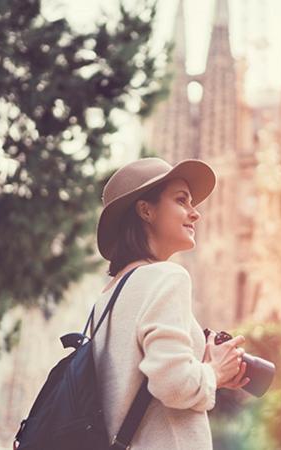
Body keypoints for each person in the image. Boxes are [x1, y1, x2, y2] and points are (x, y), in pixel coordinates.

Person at [90, 157, 249, 449]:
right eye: (182, 200)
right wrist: (214, 372)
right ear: (146, 210)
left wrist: (200, 368)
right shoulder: (167, 276)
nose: (195, 213)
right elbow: (173, 386)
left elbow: (141, 386)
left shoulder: (105, 301)